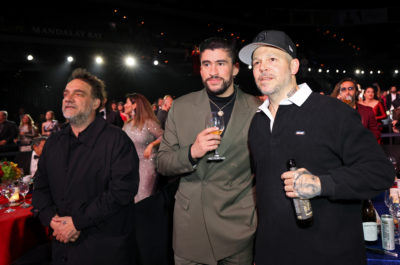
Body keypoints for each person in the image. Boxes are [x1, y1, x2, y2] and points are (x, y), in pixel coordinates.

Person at [238, 29, 394, 265]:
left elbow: (380, 172)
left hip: (329, 255)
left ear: (294, 67)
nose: (262, 67)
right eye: (256, 62)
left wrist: (322, 184)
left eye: (272, 59)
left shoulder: (333, 112)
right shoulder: (258, 122)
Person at [157, 37, 259, 265]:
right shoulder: (180, 107)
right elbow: (162, 163)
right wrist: (191, 152)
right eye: (206, 64)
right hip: (191, 227)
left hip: (238, 228)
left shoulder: (256, 109)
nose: (213, 71)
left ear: (235, 68)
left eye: (221, 64)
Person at [32, 68, 139, 265]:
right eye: (65, 94)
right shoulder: (54, 142)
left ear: (96, 103)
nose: (68, 98)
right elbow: (40, 188)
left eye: (78, 94)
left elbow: (122, 191)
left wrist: (77, 222)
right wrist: (53, 221)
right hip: (61, 248)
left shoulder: (117, 140)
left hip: (105, 249)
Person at [123, 93, 163, 203]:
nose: (124, 105)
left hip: (146, 164)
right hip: (130, 166)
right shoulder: (127, 124)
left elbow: (163, 136)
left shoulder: (148, 122)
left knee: (143, 198)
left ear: (135, 105)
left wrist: (151, 145)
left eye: (127, 103)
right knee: (133, 198)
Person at [331, 77, 381, 143]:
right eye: (343, 89)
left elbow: (375, 132)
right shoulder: (332, 110)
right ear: (339, 93)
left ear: (356, 92)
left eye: (350, 89)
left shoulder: (367, 111)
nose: (347, 92)